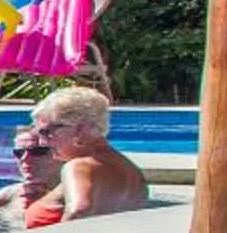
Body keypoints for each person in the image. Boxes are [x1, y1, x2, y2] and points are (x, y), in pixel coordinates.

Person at [30, 87, 147, 224]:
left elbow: (79, 212)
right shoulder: (132, 172)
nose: (42, 142)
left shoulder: (80, 167)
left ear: (80, 130)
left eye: (46, 132)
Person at [0, 127, 61, 231]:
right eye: (19, 153)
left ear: (60, 154)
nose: (24, 158)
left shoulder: (74, 200)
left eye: (37, 151)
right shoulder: (5, 199)